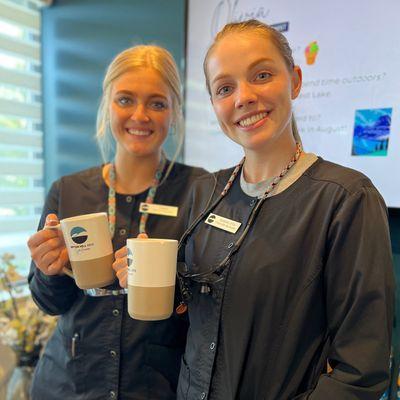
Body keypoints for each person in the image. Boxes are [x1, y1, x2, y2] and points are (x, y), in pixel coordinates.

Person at [174, 20, 395, 399]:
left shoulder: (345, 199)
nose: (243, 97)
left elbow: (361, 370)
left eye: (261, 75)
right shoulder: (204, 193)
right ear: (214, 104)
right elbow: (188, 321)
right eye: (225, 88)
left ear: (294, 81)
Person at [27, 45, 206, 400]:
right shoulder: (68, 191)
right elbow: (50, 303)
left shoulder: (200, 192)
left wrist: (175, 291)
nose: (140, 115)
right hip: (69, 385)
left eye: (157, 103)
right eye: (125, 100)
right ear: (107, 104)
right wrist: (48, 270)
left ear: (175, 112)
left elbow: (211, 306)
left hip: (154, 387)